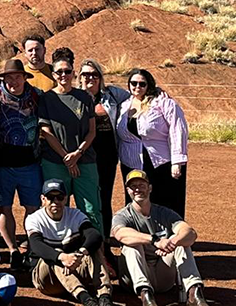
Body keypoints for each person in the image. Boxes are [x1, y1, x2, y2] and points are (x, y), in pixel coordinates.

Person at [112, 170, 216, 306]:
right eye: (133, 186)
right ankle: (146, 297)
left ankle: (194, 295)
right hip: (134, 280)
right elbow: (121, 234)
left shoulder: (164, 213)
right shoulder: (122, 215)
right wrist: (155, 241)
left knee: (182, 243)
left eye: (142, 185)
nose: (137, 189)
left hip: (162, 276)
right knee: (131, 246)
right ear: (127, 190)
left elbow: (190, 233)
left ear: (150, 188)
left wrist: (172, 242)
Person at [25, 178, 116, 306]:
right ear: (43, 199)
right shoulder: (34, 219)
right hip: (47, 280)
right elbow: (37, 246)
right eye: (50, 197)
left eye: (59, 197)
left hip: (74, 270)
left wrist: (80, 254)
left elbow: (94, 235)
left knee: (94, 250)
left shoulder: (75, 214)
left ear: (65, 198)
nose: (55, 201)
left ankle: (105, 297)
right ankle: (87, 301)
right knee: (54, 256)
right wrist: (62, 257)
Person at [36, 47, 102, 232]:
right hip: (55, 162)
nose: (63, 75)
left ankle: (95, 253)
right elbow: (46, 132)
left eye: (67, 71)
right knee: (56, 207)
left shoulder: (84, 98)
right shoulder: (46, 99)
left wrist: (77, 154)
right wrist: (67, 157)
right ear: (54, 74)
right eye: (59, 72)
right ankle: (58, 249)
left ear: (73, 73)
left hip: (85, 160)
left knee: (90, 209)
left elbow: (91, 131)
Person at [116, 69, 190, 218]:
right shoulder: (124, 105)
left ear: (149, 85)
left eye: (142, 84)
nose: (137, 87)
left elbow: (178, 129)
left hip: (161, 161)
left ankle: (170, 235)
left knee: (165, 199)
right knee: (136, 197)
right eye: (133, 83)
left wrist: (177, 161)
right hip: (131, 161)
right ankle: (139, 234)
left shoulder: (163, 102)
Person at [0, 58, 43, 257]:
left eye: (17, 77)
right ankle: (12, 250)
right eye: (9, 77)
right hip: (3, 164)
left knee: (33, 208)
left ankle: (31, 246)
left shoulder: (37, 96)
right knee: (3, 208)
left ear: (24, 77)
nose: (13, 81)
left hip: (30, 163)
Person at [79, 58, 129, 242]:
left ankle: (105, 237)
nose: (90, 78)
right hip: (84, 154)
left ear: (100, 78)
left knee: (104, 195)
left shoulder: (112, 95)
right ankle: (87, 235)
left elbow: (135, 96)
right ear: (80, 77)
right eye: (85, 74)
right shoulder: (75, 96)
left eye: (94, 74)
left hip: (107, 154)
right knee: (85, 196)